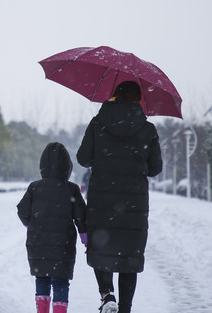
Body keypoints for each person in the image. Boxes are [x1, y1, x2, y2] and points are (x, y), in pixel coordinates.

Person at [76, 81, 162, 313]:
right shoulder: (148, 129)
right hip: (134, 205)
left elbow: (83, 159)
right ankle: (125, 308)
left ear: (115, 95)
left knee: (101, 248)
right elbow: (155, 169)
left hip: (102, 202)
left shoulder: (98, 123)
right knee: (129, 258)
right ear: (138, 100)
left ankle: (107, 294)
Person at [17, 142, 88, 313]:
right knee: (61, 281)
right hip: (63, 244)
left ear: (42, 165)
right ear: (67, 167)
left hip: (38, 241)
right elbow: (81, 216)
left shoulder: (35, 187)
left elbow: (22, 210)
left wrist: (30, 224)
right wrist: (85, 238)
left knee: (41, 279)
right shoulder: (71, 189)